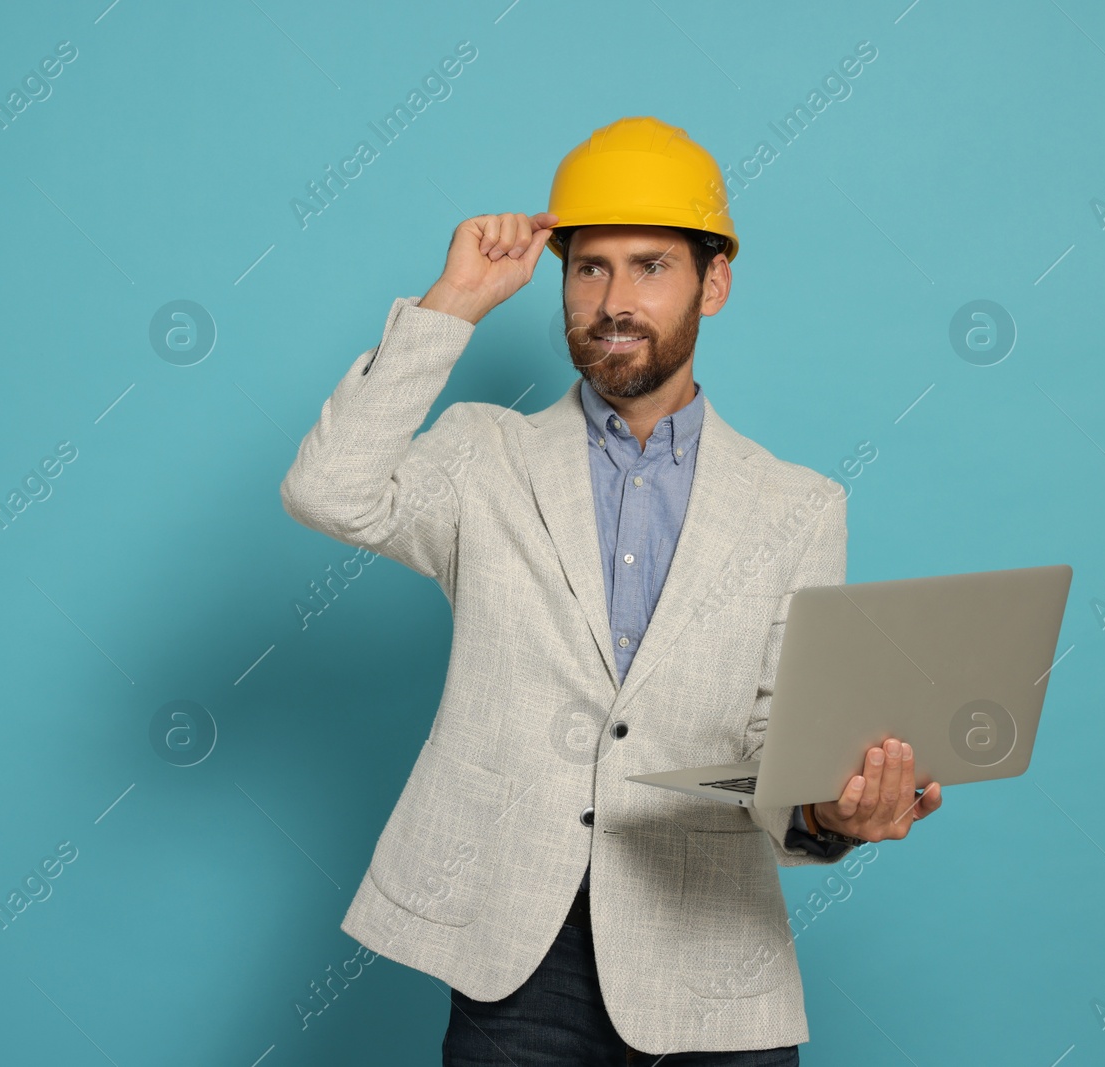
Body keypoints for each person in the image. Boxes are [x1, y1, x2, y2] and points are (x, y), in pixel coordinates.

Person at [279, 116, 942, 1065]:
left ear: (714, 282)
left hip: (711, 951)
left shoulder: (796, 506)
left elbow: (774, 739)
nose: (614, 300)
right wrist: (451, 305)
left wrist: (833, 813)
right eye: (589, 268)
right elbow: (326, 491)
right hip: (516, 951)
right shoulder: (482, 455)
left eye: (650, 266)